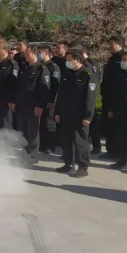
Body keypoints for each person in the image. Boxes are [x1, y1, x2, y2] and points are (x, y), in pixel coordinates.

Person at [53, 49, 97, 177]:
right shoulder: (67, 74)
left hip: (80, 115)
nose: (67, 62)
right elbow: (61, 95)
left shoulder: (88, 75)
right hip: (66, 113)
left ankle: (83, 166)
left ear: (77, 60)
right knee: (66, 140)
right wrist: (58, 111)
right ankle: (68, 163)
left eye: (69, 60)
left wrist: (88, 116)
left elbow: (90, 98)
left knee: (80, 142)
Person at [13, 45, 51, 164]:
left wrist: (40, 105)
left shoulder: (41, 69)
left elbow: (44, 90)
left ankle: (33, 154)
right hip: (22, 104)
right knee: (23, 129)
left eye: (27, 53)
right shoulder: (24, 67)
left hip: (33, 105)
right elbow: (19, 87)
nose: (25, 55)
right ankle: (25, 152)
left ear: (34, 54)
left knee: (32, 130)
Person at [100, 35, 125, 159]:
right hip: (108, 96)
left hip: (117, 97)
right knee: (109, 125)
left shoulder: (123, 58)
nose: (110, 46)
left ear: (119, 45)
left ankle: (118, 152)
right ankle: (110, 150)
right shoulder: (111, 59)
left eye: (112, 44)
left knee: (117, 126)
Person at [38, 45, 60, 155]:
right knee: (42, 123)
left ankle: (51, 147)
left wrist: (51, 100)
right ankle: (43, 146)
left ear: (46, 53)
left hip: (50, 100)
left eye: (40, 53)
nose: (38, 55)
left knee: (49, 124)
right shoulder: (41, 66)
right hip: (42, 99)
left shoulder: (53, 67)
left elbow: (55, 85)